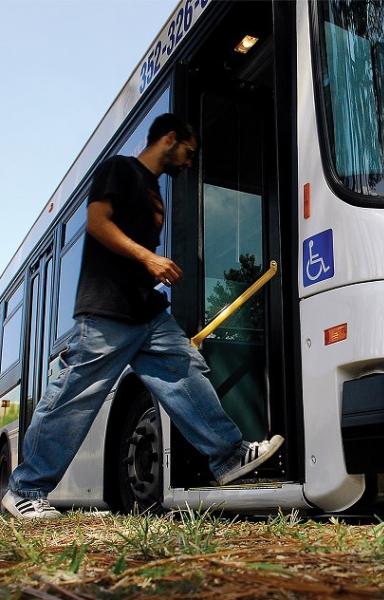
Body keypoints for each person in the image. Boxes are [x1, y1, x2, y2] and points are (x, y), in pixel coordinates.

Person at [1, 113, 283, 520]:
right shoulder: (120, 169)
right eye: (189, 151)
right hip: (106, 310)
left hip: (146, 312)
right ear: (170, 138)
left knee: (186, 371)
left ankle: (228, 456)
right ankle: (25, 489)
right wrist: (148, 257)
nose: (190, 162)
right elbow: (98, 223)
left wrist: (154, 269)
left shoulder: (154, 191)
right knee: (74, 397)